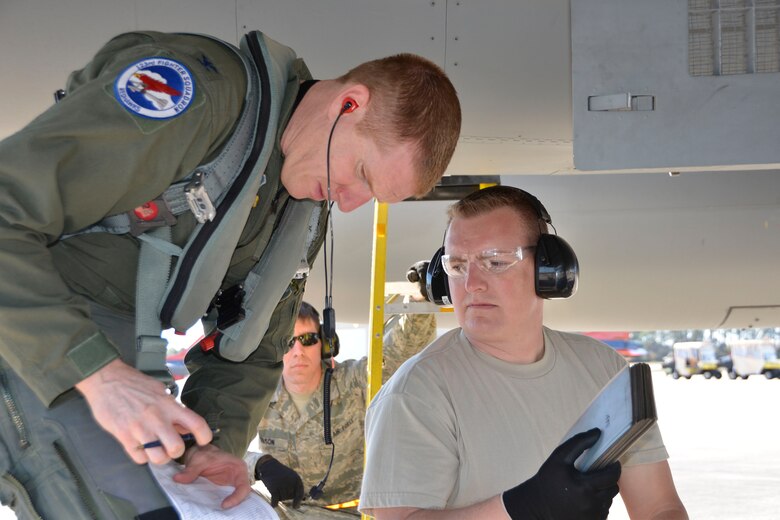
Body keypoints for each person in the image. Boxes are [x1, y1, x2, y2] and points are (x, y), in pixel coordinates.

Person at [0, 29, 460, 519]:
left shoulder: (299, 207)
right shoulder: (199, 97)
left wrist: (212, 445)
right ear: (350, 104)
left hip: (110, 347)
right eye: (363, 176)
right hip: (34, 312)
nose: (348, 202)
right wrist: (98, 374)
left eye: (370, 197)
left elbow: (252, 346)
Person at [360, 186, 688, 519]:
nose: (471, 283)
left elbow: (660, 507)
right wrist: (520, 508)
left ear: (547, 269)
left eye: (495, 262)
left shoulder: (603, 369)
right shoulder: (416, 393)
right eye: (457, 266)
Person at [245, 289, 436, 510]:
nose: (298, 351)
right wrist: (258, 465)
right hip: (286, 513)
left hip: (347, 513)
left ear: (326, 344)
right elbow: (219, 450)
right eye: (288, 342)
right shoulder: (259, 394)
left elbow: (398, 355)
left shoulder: (352, 381)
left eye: (308, 339)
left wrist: (419, 298)